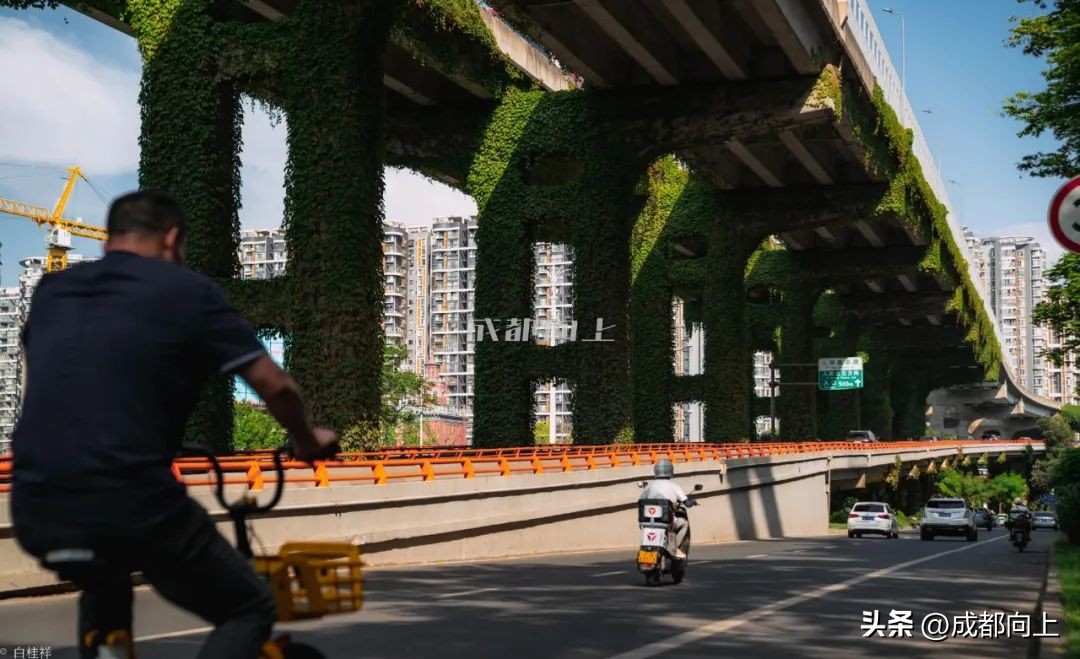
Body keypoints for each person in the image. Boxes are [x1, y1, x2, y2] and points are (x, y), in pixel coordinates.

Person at [10, 190, 338, 659]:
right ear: (172, 238)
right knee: (247, 607)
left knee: (107, 586)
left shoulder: (53, 290)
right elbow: (276, 387)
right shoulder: (188, 291)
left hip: (35, 504)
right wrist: (307, 440)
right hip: (131, 499)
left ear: (110, 239)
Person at [639, 459, 691, 558]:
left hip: (649, 522)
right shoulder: (674, 486)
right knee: (684, 524)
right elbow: (686, 502)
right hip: (667, 521)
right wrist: (691, 502)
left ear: (656, 471)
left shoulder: (649, 487)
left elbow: (641, 500)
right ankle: (677, 549)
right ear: (670, 471)